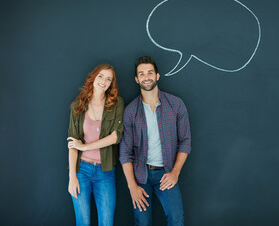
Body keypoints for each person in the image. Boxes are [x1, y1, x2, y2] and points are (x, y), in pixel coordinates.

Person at [120, 56, 191, 226]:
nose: (146, 77)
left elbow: (185, 141)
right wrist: (132, 187)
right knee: (142, 223)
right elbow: (125, 153)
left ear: (157, 76)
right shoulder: (130, 111)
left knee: (176, 219)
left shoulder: (176, 105)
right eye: (142, 74)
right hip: (140, 176)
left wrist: (175, 172)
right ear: (137, 79)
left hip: (166, 173)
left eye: (150, 72)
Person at [67, 63, 124, 226]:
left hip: (105, 171)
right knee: (82, 222)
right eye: (101, 76)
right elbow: (72, 144)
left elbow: (115, 137)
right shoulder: (77, 106)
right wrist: (72, 177)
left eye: (108, 79)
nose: (104, 81)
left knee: (106, 222)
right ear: (93, 78)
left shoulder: (117, 103)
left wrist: (84, 147)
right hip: (81, 170)